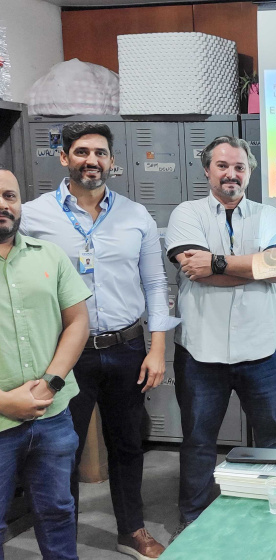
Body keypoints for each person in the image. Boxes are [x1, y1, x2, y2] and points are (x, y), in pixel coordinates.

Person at [21, 122, 178, 560]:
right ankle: (61, 538)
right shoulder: (34, 215)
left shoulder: (135, 215)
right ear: (64, 157)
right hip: (65, 352)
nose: (93, 161)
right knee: (61, 450)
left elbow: (154, 283)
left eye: (101, 153)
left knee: (128, 444)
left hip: (127, 347)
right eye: (83, 152)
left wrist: (157, 348)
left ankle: (131, 530)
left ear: (112, 160)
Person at [164, 136, 276, 540]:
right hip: (201, 351)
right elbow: (193, 270)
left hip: (261, 349)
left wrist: (217, 263)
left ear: (249, 173)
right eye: (222, 166)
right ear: (207, 170)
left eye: (239, 167)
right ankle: (194, 520)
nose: (231, 174)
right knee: (199, 441)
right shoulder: (187, 213)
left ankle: (275, 508)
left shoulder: (268, 214)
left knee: (272, 437)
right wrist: (255, 268)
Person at [0, 167, 91, 560]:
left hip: (52, 416)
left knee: (58, 512)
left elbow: (77, 322)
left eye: (9, 196)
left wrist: (51, 383)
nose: (3, 205)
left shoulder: (48, 255)